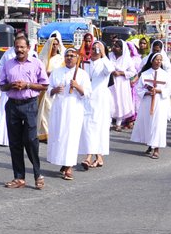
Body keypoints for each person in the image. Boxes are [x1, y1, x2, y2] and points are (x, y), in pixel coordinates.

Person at [0, 35, 48, 190]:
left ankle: (38, 174)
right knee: (14, 142)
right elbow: (2, 86)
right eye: (17, 47)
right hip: (12, 105)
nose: (19, 50)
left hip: (29, 105)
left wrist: (27, 85)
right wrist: (11, 85)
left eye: (22, 47)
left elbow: (44, 85)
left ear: (28, 48)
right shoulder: (8, 64)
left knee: (30, 140)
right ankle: (19, 177)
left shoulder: (36, 63)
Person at [45, 49, 87, 180]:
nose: (69, 58)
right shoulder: (57, 72)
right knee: (59, 136)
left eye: (72, 56)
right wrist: (54, 90)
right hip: (59, 109)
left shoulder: (82, 74)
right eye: (67, 56)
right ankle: (63, 162)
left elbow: (88, 93)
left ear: (76, 58)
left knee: (71, 138)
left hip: (74, 109)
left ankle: (69, 166)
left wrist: (78, 86)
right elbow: (47, 89)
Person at [131, 52, 171, 159]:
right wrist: (147, 92)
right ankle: (150, 145)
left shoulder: (165, 75)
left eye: (160, 60)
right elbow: (138, 88)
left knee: (158, 124)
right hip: (147, 102)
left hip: (160, 102)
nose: (158, 62)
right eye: (156, 59)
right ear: (152, 61)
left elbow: (170, 89)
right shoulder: (145, 74)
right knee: (149, 124)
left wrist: (159, 90)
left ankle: (157, 149)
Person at [79, 40, 114, 170]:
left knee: (98, 127)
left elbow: (110, 69)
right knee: (88, 126)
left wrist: (103, 53)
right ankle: (97, 157)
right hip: (87, 99)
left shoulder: (104, 63)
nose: (94, 51)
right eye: (93, 48)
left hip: (100, 100)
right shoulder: (85, 64)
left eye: (97, 49)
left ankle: (89, 157)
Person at [36, 31, 64, 142]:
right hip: (44, 88)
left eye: (57, 44)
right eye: (53, 44)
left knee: (52, 110)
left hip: (56, 88)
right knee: (44, 111)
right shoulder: (42, 58)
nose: (55, 46)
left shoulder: (61, 59)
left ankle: (52, 133)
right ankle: (44, 133)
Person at [109, 39, 137, 130]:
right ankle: (108, 122)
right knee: (110, 100)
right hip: (110, 82)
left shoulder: (127, 59)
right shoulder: (110, 56)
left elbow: (133, 72)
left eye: (116, 47)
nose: (114, 48)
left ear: (122, 49)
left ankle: (118, 123)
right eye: (114, 46)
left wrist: (121, 73)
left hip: (122, 83)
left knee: (120, 101)